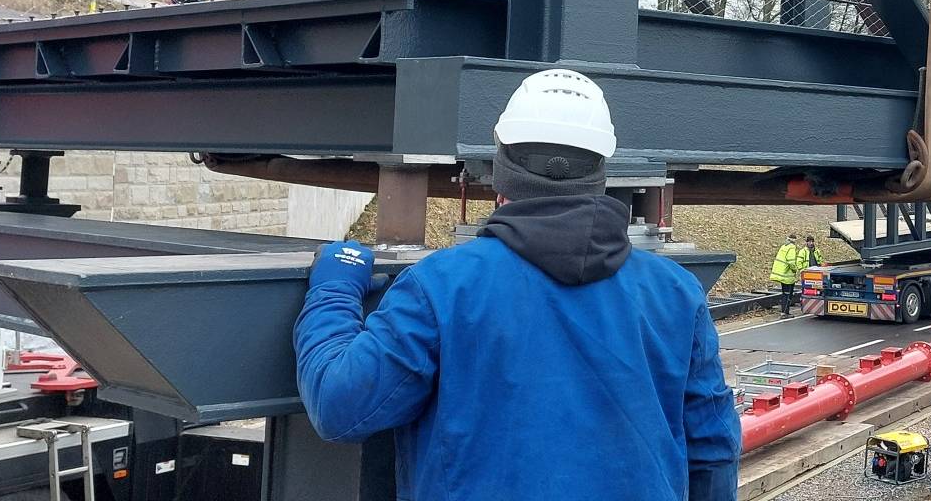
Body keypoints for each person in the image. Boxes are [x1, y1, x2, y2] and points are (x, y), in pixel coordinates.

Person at [294, 69, 741, 501]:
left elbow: (341, 406)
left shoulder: (442, 287)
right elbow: (713, 449)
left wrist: (333, 289)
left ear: (502, 170)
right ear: (599, 170)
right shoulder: (676, 293)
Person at [770, 232, 812, 315]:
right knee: (788, 294)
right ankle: (785, 313)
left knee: (784, 293)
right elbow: (791, 262)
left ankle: (784, 312)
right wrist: (794, 270)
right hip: (787, 275)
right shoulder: (792, 248)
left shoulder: (784, 246)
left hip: (781, 274)